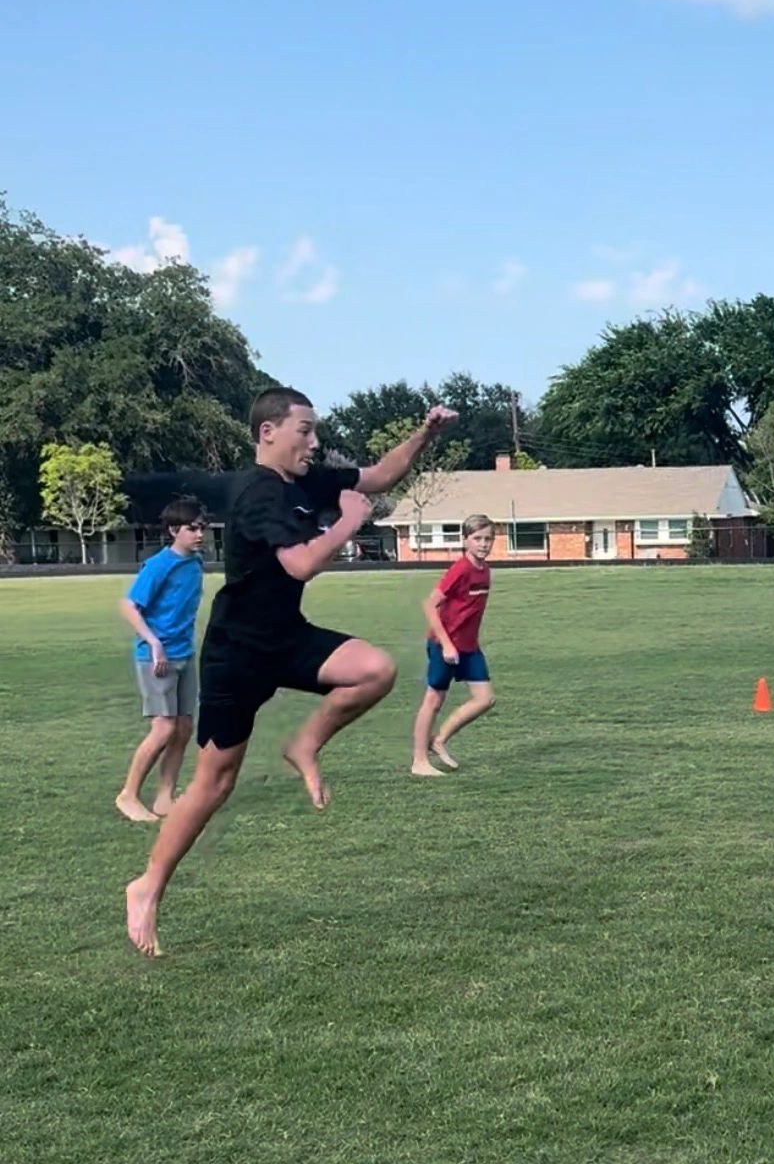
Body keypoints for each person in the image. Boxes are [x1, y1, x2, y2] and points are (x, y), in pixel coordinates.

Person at [124, 386, 457, 956]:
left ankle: (304, 742)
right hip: (237, 653)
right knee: (214, 784)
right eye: (304, 430)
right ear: (267, 432)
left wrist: (426, 434)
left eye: (315, 430)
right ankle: (147, 886)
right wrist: (350, 523)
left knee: (376, 669)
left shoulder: (304, 482)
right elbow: (301, 563)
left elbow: (377, 477)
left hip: (286, 637)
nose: (314, 441)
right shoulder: (257, 495)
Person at [115, 496, 209, 824]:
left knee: (183, 727)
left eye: (202, 528)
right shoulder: (159, 565)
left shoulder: (195, 564)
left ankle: (165, 798)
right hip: (157, 658)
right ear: (173, 530)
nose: (199, 534)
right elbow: (128, 606)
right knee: (163, 727)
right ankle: (127, 795)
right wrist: (154, 642)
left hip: (184, 654)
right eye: (192, 528)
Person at [410, 514, 496, 776]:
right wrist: (447, 645)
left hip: (469, 646)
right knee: (434, 700)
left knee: (485, 699)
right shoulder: (460, 569)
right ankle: (419, 761)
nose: (483, 544)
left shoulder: (485, 570)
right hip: (444, 645)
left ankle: (439, 740)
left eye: (488, 538)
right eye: (477, 538)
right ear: (465, 540)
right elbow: (429, 603)